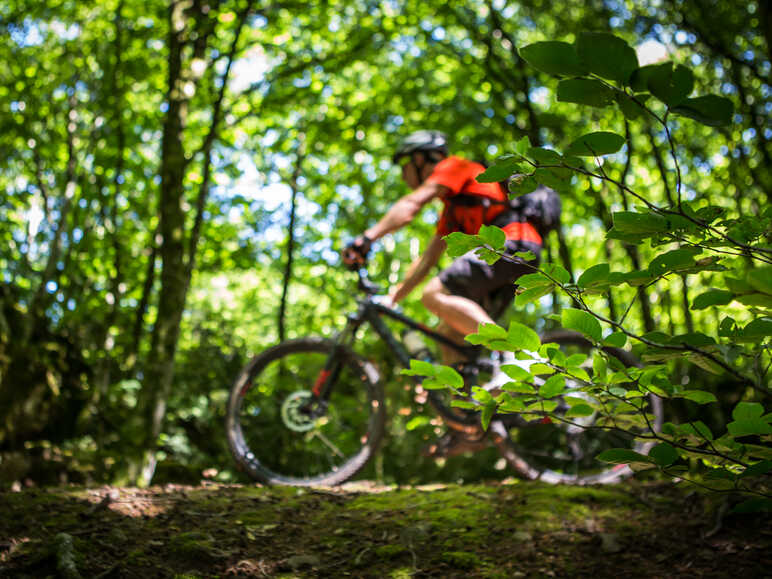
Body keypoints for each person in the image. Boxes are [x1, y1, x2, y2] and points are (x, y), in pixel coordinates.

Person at [343, 130, 543, 456]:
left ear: (422, 159)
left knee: (433, 295)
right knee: (448, 334)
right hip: (507, 256)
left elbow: (411, 205)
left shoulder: (455, 166)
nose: (404, 174)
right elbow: (427, 260)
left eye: (405, 165)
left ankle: (514, 358)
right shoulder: (452, 210)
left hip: (514, 242)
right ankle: (468, 425)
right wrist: (391, 299)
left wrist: (367, 238)